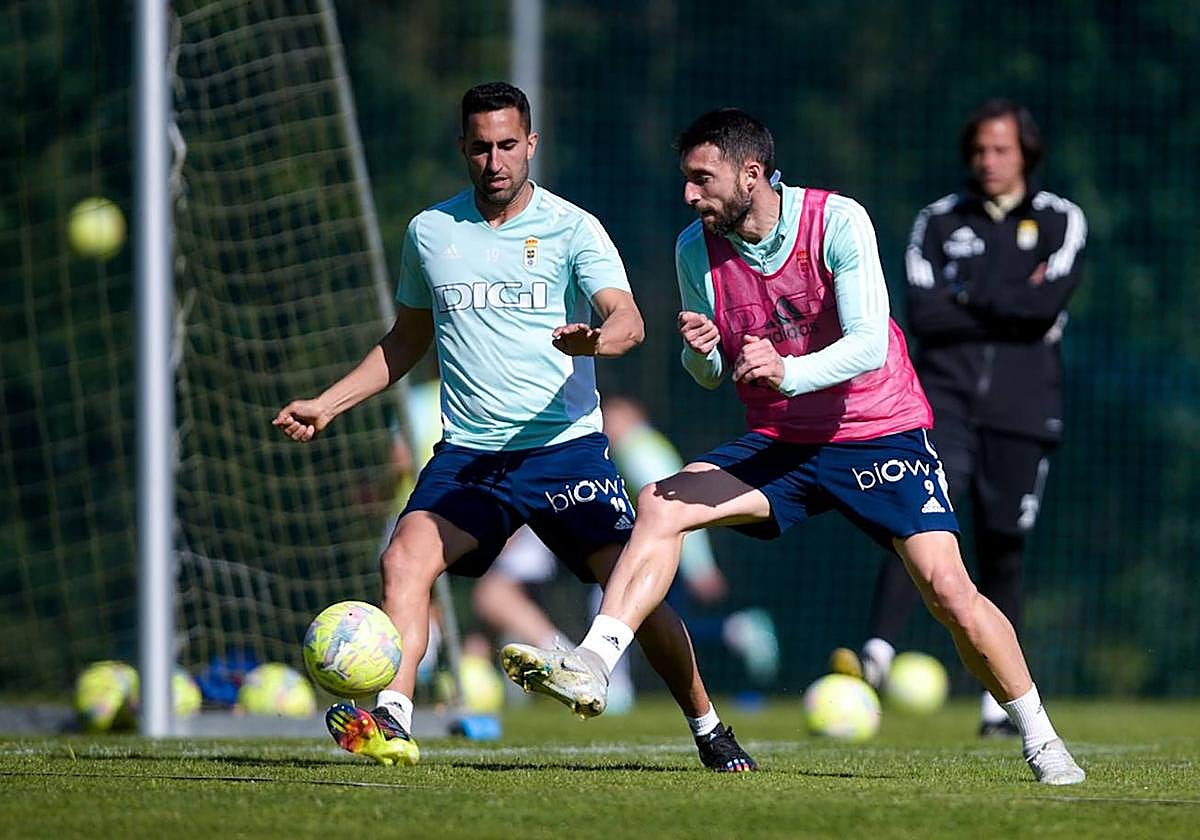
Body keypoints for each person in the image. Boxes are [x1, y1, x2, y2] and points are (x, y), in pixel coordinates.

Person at [500, 107, 1085, 785]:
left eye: (702, 178)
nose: (689, 194)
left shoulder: (836, 220)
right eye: (686, 178)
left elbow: (869, 344)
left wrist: (788, 370)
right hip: (783, 442)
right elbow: (711, 373)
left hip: (877, 433)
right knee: (660, 502)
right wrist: (703, 354)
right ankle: (594, 663)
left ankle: (1042, 738)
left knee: (949, 592)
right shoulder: (695, 249)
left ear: (751, 174)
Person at [273, 82, 755, 772]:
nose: (494, 161)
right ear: (462, 149)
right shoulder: (430, 232)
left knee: (632, 593)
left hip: (564, 453)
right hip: (469, 457)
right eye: (480, 148)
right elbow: (406, 340)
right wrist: (328, 402)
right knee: (403, 561)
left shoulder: (573, 227)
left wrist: (597, 340)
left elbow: (630, 321)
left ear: (531, 144)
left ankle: (707, 726)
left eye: (507, 145)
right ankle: (393, 719)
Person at [832, 99, 1087, 738]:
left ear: (1026, 153)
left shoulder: (1060, 219)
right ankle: (873, 660)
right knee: (918, 518)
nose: (987, 161)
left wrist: (966, 294)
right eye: (978, 150)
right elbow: (924, 313)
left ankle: (998, 702)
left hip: (1025, 409)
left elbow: (1045, 307)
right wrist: (1010, 298)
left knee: (1004, 545)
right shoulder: (939, 220)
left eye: (1001, 149)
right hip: (942, 401)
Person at [472, 395, 780, 712]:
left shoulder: (639, 449)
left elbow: (675, 507)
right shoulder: (616, 449)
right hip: (623, 542)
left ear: (634, 415)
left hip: (649, 551)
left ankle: (729, 634)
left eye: (614, 414)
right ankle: (604, 676)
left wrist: (700, 566)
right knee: (646, 616)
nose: (607, 421)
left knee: (645, 616)